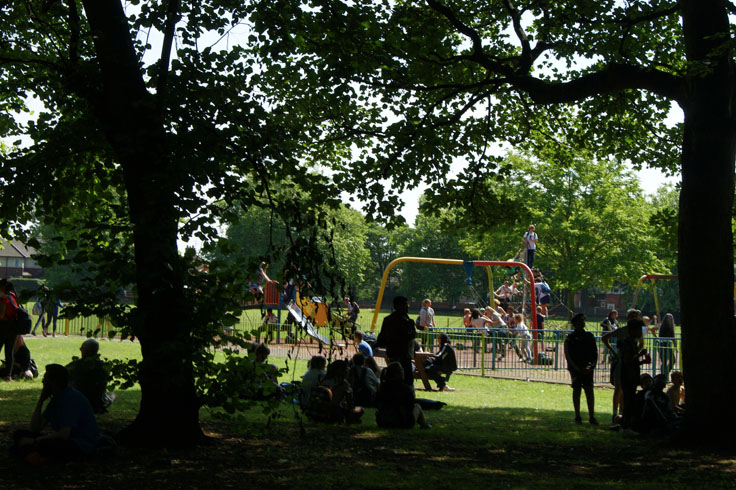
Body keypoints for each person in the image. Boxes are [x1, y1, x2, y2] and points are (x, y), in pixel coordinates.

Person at [12, 364, 100, 464]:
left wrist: (35, 441)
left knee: (47, 444)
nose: (42, 382)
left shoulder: (70, 399)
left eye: (45, 379)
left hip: (80, 444)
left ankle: (37, 455)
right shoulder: (56, 399)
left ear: (53, 382)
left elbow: (64, 434)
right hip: (67, 439)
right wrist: (40, 401)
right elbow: (36, 428)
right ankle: (33, 454)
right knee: (19, 434)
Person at [602, 309, 642, 425]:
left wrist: (636, 353)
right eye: (632, 316)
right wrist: (614, 353)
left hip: (631, 362)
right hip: (621, 362)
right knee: (619, 388)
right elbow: (604, 338)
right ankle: (615, 414)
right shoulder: (622, 331)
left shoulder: (637, 331)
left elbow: (641, 343)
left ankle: (623, 414)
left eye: (636, 316)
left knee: (628, 390)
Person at [564, 313, 599, 425]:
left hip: (587, 368)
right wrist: (577, 368)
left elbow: (595, 353)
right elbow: (568, 356)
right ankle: (577, 416)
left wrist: (591, 366)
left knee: (589, 390)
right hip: (576, 369)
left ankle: (592, 416)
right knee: (577, 390)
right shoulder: (570, 338)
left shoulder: (589, 336)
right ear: (574, 324)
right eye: (579, 321)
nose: (581, 323)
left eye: (583, 321)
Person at [375, 362, 430, 429]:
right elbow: (410, 407)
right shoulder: (405, 388)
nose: (403, 372)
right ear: (397, 373)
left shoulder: (382, 387)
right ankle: (424, 425)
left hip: (383, 422)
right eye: (401, 370)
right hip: (402, 423)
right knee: (417, 406)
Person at [66, 339, 115, 414]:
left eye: (81, 349)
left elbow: (61, 372)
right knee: (112, 395)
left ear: (85, 350)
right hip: (96, 403)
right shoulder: (104, 367)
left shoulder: (77, 365)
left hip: (78, 401)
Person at [376, 296, 416, 386]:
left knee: (393, 380)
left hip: (392, 354)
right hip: (404, 355)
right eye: (405, 305)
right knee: (407, 380)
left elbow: (381, 339)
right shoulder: (405, 321)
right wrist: (411, 327)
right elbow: (410, 336)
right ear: (399, 306)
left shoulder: (388, 320)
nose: (407, 307)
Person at [0, 278, 19, 381]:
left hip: (3, 326)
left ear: (2, 287)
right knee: (9, 351)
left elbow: (2, 315)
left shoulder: (4, 299)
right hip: (13, 327)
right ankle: (8, 375)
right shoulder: (13, 296)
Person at [657, 313, 677, 379]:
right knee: (672, 360)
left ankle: (663, 376)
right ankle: (665, 374)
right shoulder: (671, 327)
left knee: (664, 362)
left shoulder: (661, 326)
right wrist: (675, 347)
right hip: (667, 345)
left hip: (660, 345)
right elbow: (673, 338)